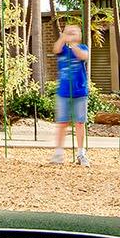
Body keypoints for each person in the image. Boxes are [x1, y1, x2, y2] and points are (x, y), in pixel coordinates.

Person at [51, 24, 91, 166]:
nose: (71, 34)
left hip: (80, 92)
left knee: (80, 123)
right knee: (62, 123)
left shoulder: (83, 48)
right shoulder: (62, 50)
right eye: (69, 32)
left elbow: (83, 56)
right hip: (63, 93)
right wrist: (64, 36)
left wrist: (73, 43)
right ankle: (59, 153)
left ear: (80, 36)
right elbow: (55, 48)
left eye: (75, 32)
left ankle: (81, 153)